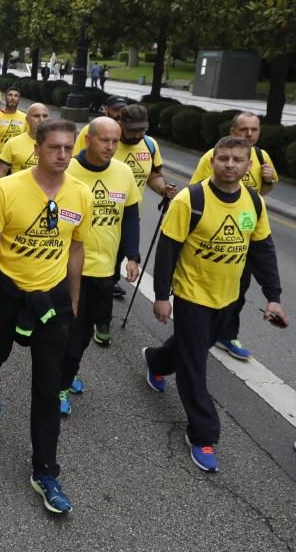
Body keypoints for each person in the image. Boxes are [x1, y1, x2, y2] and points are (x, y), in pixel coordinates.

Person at [144, 135, 288, 473]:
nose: (230, 165)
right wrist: (162, 296)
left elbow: (262, 250)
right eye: (223, 158)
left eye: (237, 160)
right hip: (193, 295)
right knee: (194, 366)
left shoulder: (254, 204)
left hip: (229, 296)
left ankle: (155, 360)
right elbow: (167, 251)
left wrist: (274, 297)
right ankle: (203, 434)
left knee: (187, 349)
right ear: (212, 161)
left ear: (248, 165)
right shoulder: (190, 200)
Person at [0, 119, 90, 514]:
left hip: (52, 298)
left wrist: (73, 299)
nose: (62, 155)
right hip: (9, 293)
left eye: (68, 149)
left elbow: (76, 249)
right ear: (37, 147)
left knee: (48, 384)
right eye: (54, 147)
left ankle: (45, 471)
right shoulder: (7, 189)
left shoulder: (80, 194)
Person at [60, 117, 141, 414]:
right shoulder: (67, 169)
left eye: (115, 141)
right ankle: (58, 383)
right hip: (67, 268)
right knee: (69, 330)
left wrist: (133, 255)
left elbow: (131, 215)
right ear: (87, 140)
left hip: (104, 270)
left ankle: (67, 372)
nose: (110, 146)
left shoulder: (123, 173)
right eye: (104, 140)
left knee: (85, 333)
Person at [188, 112, 278, 360]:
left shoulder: (261, 157)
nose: (249, 134)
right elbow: (194, 191)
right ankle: (201, 332)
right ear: (232, 130)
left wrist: (269, 181)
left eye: (254, 130)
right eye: (244, 130)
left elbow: (265, 190)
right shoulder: (213, 156)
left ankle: (227, 334)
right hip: (214, 226)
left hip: (245, 222)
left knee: (240, 286)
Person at [101, 103, 178, 303]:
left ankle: (107, 293)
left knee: (117, 259)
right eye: (133, 130)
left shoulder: (150, 145)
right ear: (121, 124)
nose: (138, 135)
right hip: (99, 215)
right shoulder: (108, 141)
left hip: (129, 216)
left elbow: (153, 176)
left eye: (142, 130)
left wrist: (163, 189)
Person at [0, 103, 49, 183]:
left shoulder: (58, 144)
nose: (41, 120)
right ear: (27, 120)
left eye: (45, 116)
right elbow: (1, 174)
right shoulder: (13, 143)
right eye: (36, 116)